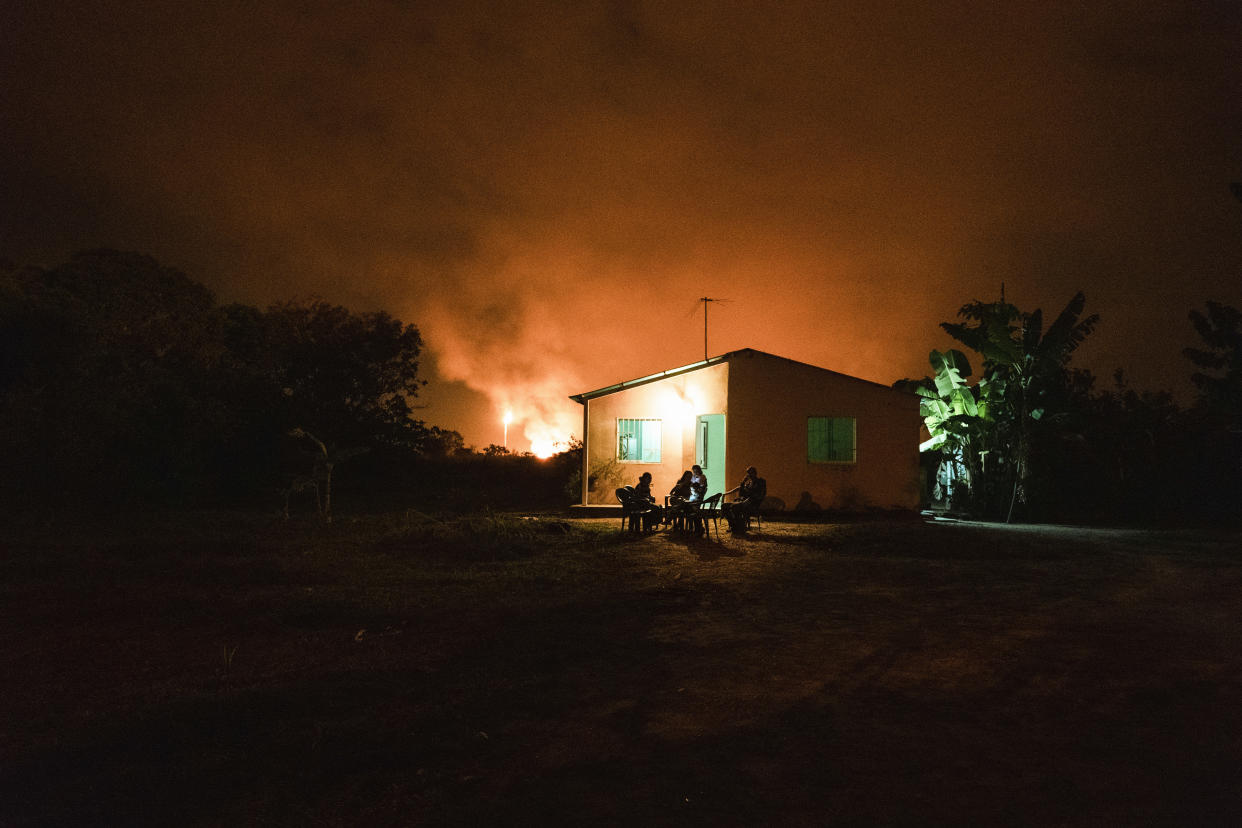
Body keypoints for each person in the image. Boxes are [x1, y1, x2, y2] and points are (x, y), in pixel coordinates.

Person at [722, 466, 766, 534]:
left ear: (755, 473)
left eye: (751, 473)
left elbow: (759, 494)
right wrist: (743, 482)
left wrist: (749, 496)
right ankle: (733, 526)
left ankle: (740, 527)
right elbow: (742, 493)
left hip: (752, 503)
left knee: (734, 507)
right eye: (748, 473)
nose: (750, 475)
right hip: (744, 501)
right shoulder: (748, 483)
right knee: (724, 506)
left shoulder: (760, 481)